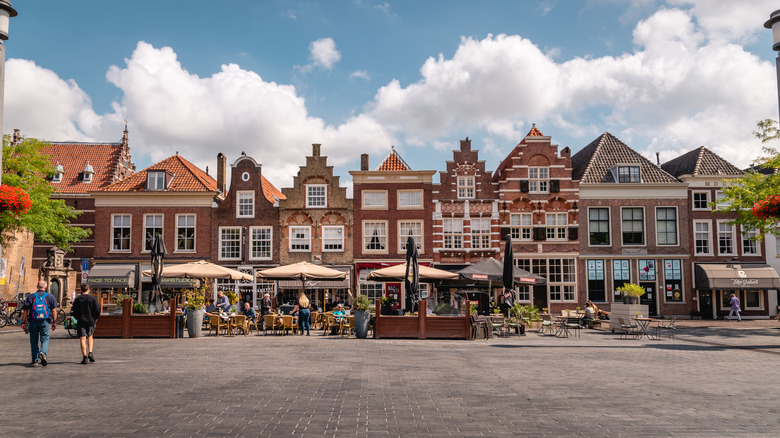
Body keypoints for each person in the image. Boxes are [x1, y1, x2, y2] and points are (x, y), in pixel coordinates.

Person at [20, 280, 58, 367]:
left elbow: (25, 311)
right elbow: (54, 311)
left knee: (33, 340)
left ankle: (35, 360)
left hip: (33, 321)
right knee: (45, 339)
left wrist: (23, 322)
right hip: (45, 321)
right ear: (45, 287)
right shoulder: (50, 297)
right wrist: (54, 322)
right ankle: (43, 353)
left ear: (37, 287)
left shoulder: (31, 296)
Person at [71, 284, 101, 364]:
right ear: (88, 289)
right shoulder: (93, 299)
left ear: (81, 290)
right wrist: (94, 318)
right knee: (90, 336)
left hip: (81, 321)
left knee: (82, 339)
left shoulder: (77, 300)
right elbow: (97, 311)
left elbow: (73, 311)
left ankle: (84, 357)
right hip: (91, 321)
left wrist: (77, 317)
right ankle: (90, 352)